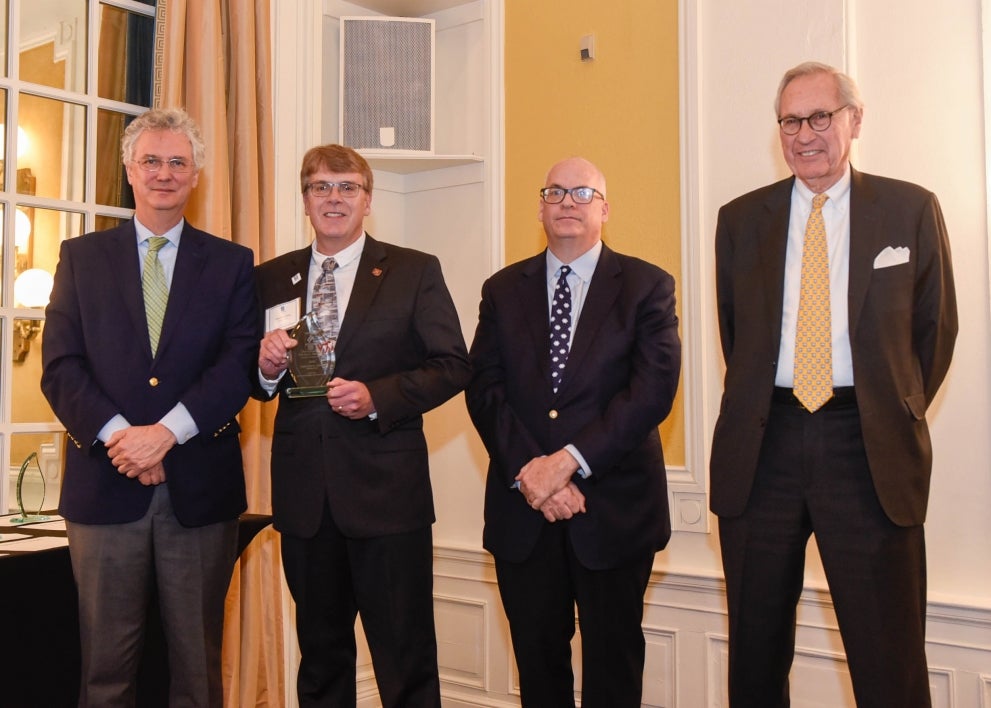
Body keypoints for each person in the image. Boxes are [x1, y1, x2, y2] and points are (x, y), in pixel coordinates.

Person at [710, 61, 958, 707]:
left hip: (867, 447)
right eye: (790, 121)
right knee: (756, 658)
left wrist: (885, 409)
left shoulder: (908, 209)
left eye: (819, 116)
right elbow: (736, 337)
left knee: (888, 659)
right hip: (762, 447)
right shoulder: (739, 220)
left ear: (853, 119)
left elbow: (934, 332)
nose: (804, 134)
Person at [41, 108, 259, 707]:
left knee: (197, 670)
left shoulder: (233, 263)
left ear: (196, 175)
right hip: (103, 491)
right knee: (105, 672)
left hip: (199, 492)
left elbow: (237, 364)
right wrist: (124, 439)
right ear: (129, 170)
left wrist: (164, 434)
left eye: (178, 162)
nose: (165, 173)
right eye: (152, 161)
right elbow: (60, 366)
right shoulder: (80, 257)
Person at [253, 144, 470, 708]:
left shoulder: (413, 270)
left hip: (387, 499)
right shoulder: (271, 277)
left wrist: (378, 396)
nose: (334, 198)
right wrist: (265, 367)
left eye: (347, 187)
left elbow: (452, 365)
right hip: (305, 501)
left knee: (404, 661)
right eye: (321, 187)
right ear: (304, 199)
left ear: (367, 200)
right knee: (321, 662)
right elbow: (251, 383)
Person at [465, 157, 681, 707]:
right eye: (555, 191)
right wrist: (537, 475)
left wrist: (568, 463)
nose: (567, 201)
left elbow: (651, 393)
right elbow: (484, 390)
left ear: (604, 210)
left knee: (613, 672)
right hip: (524, 513)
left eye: (582, 192)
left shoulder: (646, 285)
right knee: (539, 673)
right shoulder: (502, 289)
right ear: (540, 207)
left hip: (614, 514)